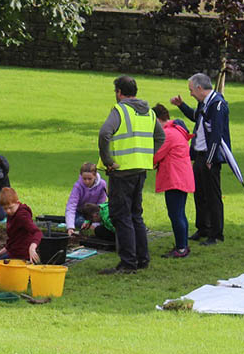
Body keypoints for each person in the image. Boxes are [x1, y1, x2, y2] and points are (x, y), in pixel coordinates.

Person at [98, 75, 165, 274]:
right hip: (140, 170)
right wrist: (147, 156)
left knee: (121, 216)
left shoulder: (120, 110)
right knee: (136, 214)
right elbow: (160, 137)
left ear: (119, 92)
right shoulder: (149, 113)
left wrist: (108, 161)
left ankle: (128, 262)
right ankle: (142, 259)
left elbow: (104, 134)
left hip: (122, 171)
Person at [171, 72, 231, 245]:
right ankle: (203, 228)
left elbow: (217, 135)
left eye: (191, 90)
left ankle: (216, 233)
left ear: (199, 88)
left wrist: (210, 159)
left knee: (212, 195)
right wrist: (182, 105)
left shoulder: (217, 105)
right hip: (199, 154)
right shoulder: (204, 103)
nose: (190, 93)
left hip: (210, 157)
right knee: (199, 193)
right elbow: (196, 118)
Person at [152, 103, 195, 258]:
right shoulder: (175, 131)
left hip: (175, 179)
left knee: (176, 214)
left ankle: (181, 248)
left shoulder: (167, 134)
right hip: (181, 177)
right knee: (179, 213)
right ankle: (182, 245)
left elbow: (156, 155)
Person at [0, 187, 42, 278]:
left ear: (17, 202)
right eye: (5, 209)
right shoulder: (12, 215)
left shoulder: (22, 216)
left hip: (22, 256)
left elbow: (37, 232)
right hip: (13, 254)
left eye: (10, 208)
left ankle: (16, 275)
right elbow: (12, 241)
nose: (8, 211)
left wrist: (32, 247)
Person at [64, 162, 108, 236]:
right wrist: (70, 227)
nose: (87, 181)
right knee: (78, 221)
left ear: (95, 176)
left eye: (89, 179)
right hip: (80, 213)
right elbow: (71, 206)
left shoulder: (102, 184)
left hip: (95, 214)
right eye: (84, 179)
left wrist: (94, 222)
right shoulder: (77, 186)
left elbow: (100, 205)